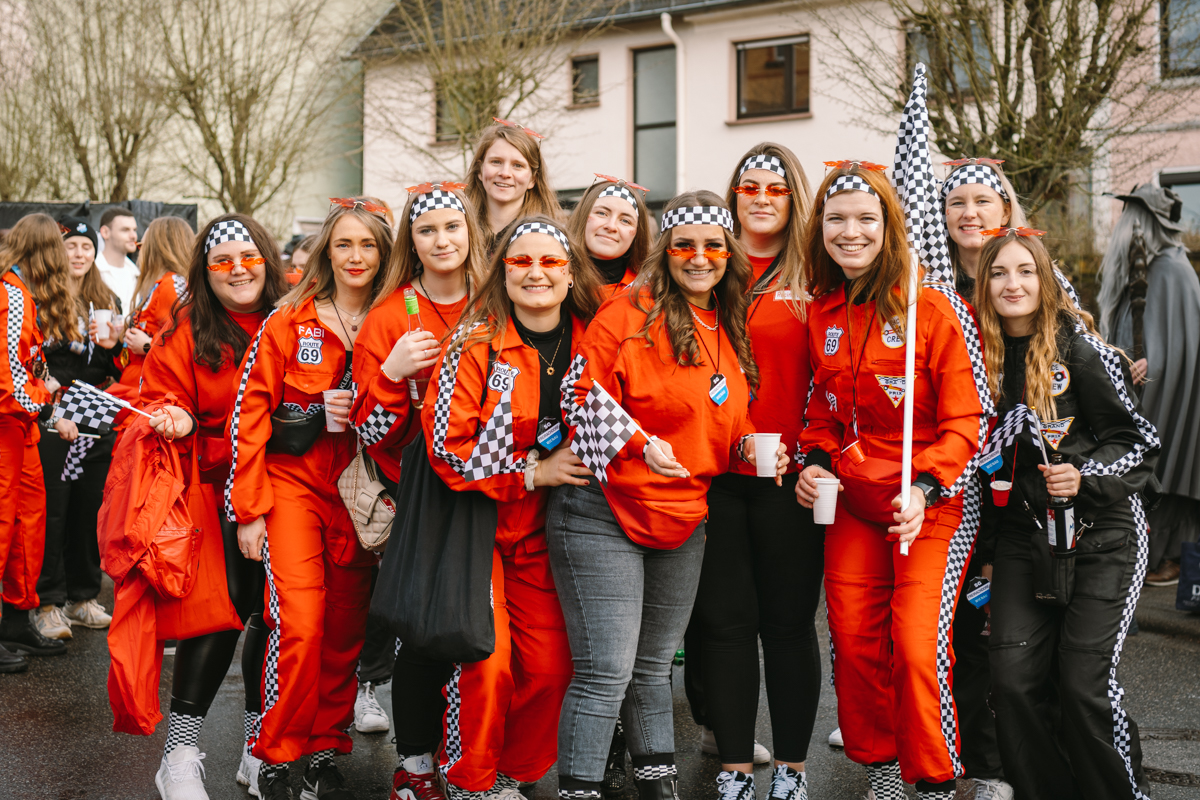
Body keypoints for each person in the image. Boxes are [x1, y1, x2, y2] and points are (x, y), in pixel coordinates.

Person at [553, 191, 787, 800]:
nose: (699, 257)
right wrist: (636, 442)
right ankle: (580, 789)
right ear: (665, 252)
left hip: (684, 519)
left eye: (713, 245)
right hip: (605, 511)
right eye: (685, 244)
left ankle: (660, 788)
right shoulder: (627, 314)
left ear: (729, 255)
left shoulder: (726, 321)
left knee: (652, 671)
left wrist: (751, 453)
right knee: (606, 672)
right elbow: (577, 399)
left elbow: (721, 426)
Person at [794, 163, 985, 800]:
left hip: (927, 505)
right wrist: (814, 463)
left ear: (889, 226)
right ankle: (881, 764)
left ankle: (931, 774)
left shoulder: (932, 308)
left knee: (914, 642)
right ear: (820, 227)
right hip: (852, 498)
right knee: (852, 639)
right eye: (837, 218)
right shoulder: (822, 311)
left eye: (866, 219)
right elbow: (821, 412)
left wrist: (927, 487)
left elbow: (965, 420)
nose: (851, 232)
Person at [974, 228, 1158, 800]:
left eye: (1025, 271)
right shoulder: (978, 359)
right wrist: (985, 558)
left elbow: (1139, 443)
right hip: (1024, 543)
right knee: (1010, 681)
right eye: (1000, 273)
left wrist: (1086, 476)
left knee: (1084, 684)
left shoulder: (1081, 350)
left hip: (1104, 538)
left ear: (1044, 279)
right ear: (984, 285)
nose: (1013, 283)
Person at [423, 214, 600, 800]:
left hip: (556, 532)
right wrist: (532, 470)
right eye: (521, 261)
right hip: (476, 528)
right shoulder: (471, 343)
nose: (536, 273)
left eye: (551, 262)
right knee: (488, 664)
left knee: (552, 668)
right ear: (502, 271)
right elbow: (447, 452)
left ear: (571, 274)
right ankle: (469, 781)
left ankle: (512, 776)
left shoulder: (596, 340)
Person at [227, 197, 392, 800]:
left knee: (346, 632)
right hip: (293, 488)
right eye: (344, 243)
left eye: (368, 244)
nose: (356, 256)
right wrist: (248, 512)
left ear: (385, 252)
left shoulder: (398, 319)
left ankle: (326, 746)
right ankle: (273, 752)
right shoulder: (289, 320)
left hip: (365, 495)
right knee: (299, 624)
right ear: (326, 249)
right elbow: (248, 416)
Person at [682, 144, 820, 800]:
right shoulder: (708, 265)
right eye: (749, 185)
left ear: (794, 197)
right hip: (715, 476)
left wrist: (816, 455)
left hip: (789, 480)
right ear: (733, 195)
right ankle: (735, 766)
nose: (761, 196)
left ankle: (792, 768)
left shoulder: (818, 273)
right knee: (725, 625)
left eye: (775, 187)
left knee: (789, 626)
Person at [139, 213, 287, 800]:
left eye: (249, 257)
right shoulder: (186, 329)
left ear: (267, 261)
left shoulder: (291, 318)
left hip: (288, 487)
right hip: (212, 488)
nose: (238, 270)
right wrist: (171, 413)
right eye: (222, 261)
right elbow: (158, 396)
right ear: (205, 270)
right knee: (216, 616)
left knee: (275, 619)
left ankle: (258, 745)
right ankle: (179, 753)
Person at [349, 182, 486, 800]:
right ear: (413, 240)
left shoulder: (495, 300)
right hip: (419, 495)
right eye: (427, 230)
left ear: (470, 233)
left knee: (485, 634)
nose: (442, 240)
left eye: (452, 228)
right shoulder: (389, 316)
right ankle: (416, 763)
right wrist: (391, 373)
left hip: (495, 488)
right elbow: (368, 430)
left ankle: (475, 762)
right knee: (424, 630)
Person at [940, 157, 1027, 800]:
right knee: (963, 628)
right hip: (954, 481)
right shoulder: (933, 287)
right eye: (957, 202)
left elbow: (1074, 347)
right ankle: (974, 757)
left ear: (1005, 209)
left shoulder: (1026, 271)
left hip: (1021, 485)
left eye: (983, 200)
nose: (970, 213)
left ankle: (1016, 755)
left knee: (1014, 631)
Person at [1098, 183, 1200, 587]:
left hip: (1166, 399)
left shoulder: (1171, 270)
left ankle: (1166, 559)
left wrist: (1143, 373)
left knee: (1167, 473)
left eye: (1129, 217)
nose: (1122, 225)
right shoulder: (1153, 268)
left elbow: (1173, 353)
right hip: (1150, 396)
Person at [31, 217, 123, 641]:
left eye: (86, 247)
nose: (80, 254)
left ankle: (83, 597)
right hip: (54, 409)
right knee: (54, 508)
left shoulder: (105, 296)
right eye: (71, 247)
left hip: (97, 407)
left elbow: (113, 365)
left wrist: (117, 344)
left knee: (88, 507)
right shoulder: (42, 298)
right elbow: (31, 362)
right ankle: (46, 603)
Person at [0, 214, 64, 671]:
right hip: (8, 422)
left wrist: (43, 389)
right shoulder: (11, 293)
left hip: (20, 425)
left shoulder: (20, 292)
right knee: (5, 522)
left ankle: (17, 618)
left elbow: (25, 360)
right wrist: (43, 400)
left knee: (27, 521)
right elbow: (8, 372)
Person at [116, 216, 193, 396]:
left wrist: (146, 345)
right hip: (138, 389)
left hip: (149, 396)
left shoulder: (170, 286)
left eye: (143, 246)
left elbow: (184, 349)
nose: (140, 253)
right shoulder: (159, 285)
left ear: (157, 250)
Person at [465, 120, 561, 250]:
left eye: (517, 165)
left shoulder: (549, 239)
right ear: (480, 170)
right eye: (496, 162)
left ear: (533, 179)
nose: (505, 173)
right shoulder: (459, 232)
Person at [566, 176, 651, 301]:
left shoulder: (649, 288)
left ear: (637, 233)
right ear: (582, 216)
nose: (611, 226)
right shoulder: (555, 277)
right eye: (602, 213)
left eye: (625, 221)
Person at [96, 207, 141, 314]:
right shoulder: (93, 272)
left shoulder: (137, 273)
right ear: (105, 232)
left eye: (134, 230)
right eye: (125, 230)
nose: (133, 236)